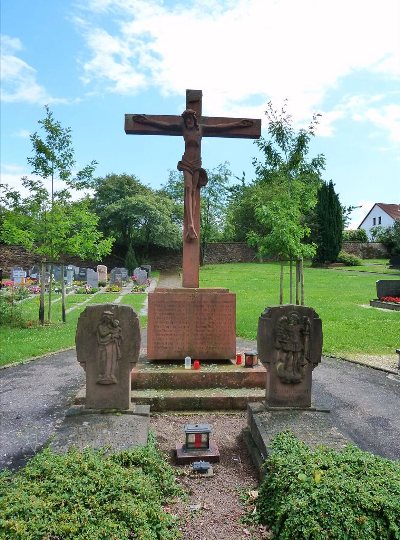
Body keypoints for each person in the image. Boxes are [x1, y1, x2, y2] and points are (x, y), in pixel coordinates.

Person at [132, 110, 253, 241]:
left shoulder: (201, 128)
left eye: (189, 118)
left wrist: (239, 124)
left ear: (194, 119)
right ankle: (189, 225)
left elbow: (220, 127)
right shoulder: (182, 128)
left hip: (196, 163)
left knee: (194, 191)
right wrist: (146, 121)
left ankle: (192, 225)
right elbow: (164, 125)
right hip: (186, 162)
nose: (188, 121)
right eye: (186, 119)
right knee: (188, 189)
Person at [96, 310, 122, 384]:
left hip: (112, 345)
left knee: (112, 360)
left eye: (109, 319)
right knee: (103, 360)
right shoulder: (100, 326)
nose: (108, 320)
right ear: (104, 319)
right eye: (107, 319)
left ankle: (111, 375)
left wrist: (114, 333)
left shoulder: (111, 326)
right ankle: (102, 375)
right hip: (103, 346)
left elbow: (117, 331)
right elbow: (102, 334)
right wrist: (110, 332)